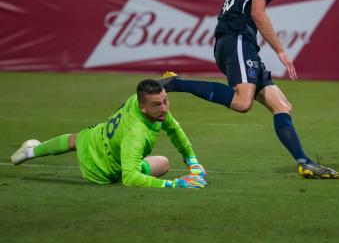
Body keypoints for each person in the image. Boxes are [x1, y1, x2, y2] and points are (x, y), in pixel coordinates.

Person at [158, 0, 339, 179]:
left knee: (282, 106)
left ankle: (304, 162)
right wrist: (281, 51)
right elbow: (257, 14)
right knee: (243, 102)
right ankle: (175, 82)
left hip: (234, 42)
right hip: (238, 40)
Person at [11, 79, 207, 189]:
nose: (164, 108)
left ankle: (31, 151)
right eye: (157, 104)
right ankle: (31, 151)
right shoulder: (136, 134)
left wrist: (193, 162)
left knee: (74, 139)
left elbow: (174, 129)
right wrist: (176, 184)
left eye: (165, 101)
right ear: (143, 108)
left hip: (95, 138)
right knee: (150, 167)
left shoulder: (140, 101)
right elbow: (130, 179)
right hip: (100, 174)